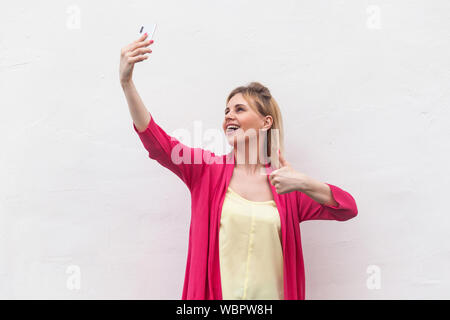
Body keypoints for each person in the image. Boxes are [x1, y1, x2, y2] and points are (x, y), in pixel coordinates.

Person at [119, 33, 358, 300]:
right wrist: (127, 83)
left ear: (266, 122)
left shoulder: (287, 187)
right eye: (226, 111)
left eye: (240, 109)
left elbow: (347, 208)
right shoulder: (205, 170)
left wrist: (303, 182)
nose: (229, 116)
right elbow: (158, 144)